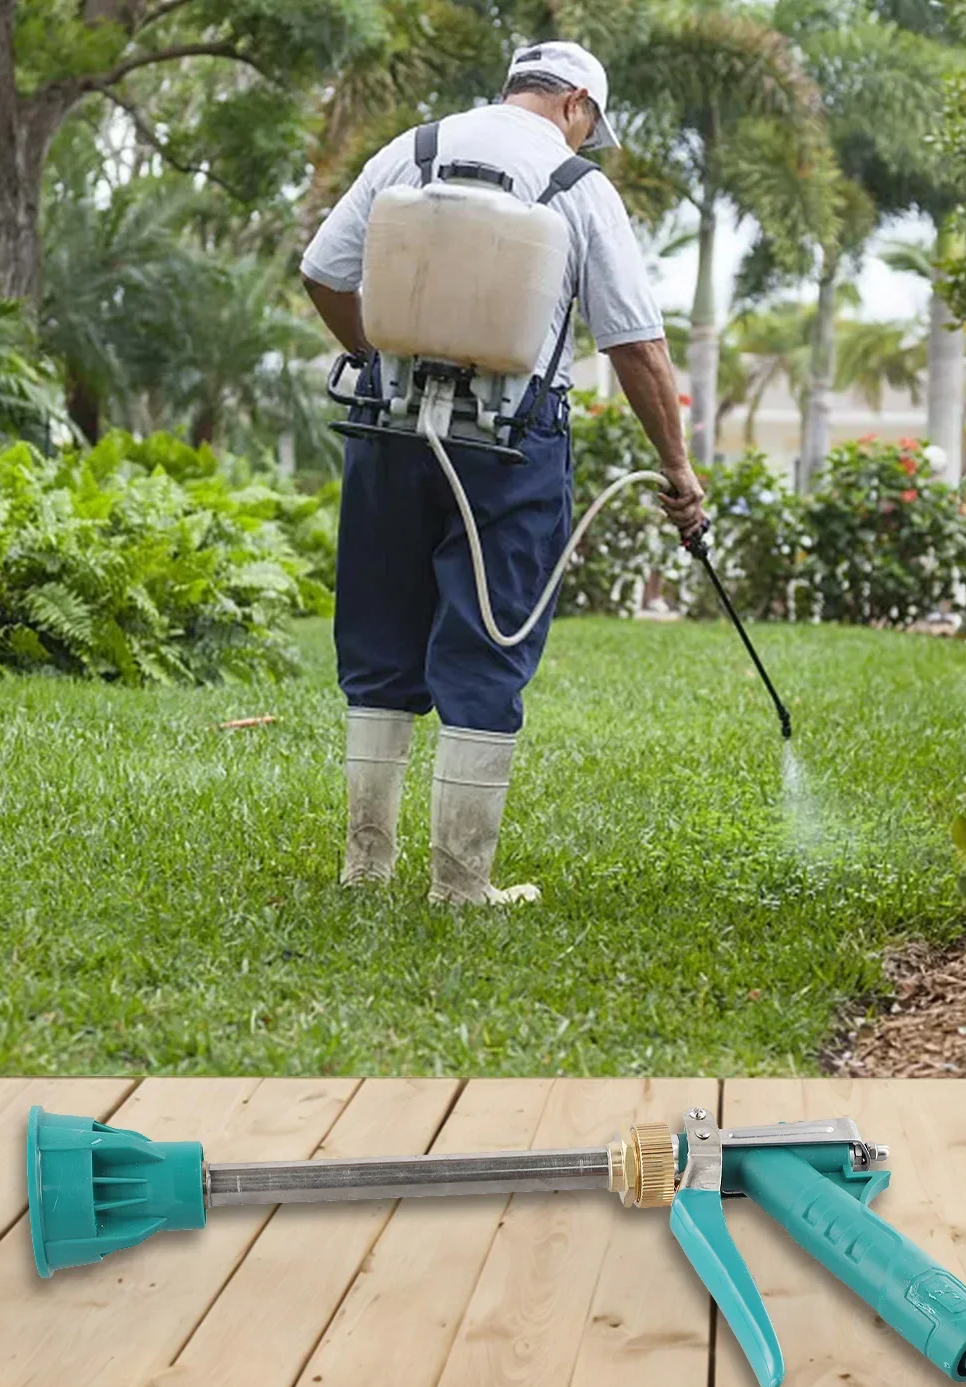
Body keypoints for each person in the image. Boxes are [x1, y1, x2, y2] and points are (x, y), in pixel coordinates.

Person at [300, 40, 705, 906]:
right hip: (510, 447)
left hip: (388, 426)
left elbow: (325, 271)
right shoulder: (577, 185)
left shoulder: (409, 152)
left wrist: (376, 357)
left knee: (379, 638)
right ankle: (461, 883)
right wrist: (677, 469)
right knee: (491, 637)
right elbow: (635, 343)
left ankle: (365, 868)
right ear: (576, 108)